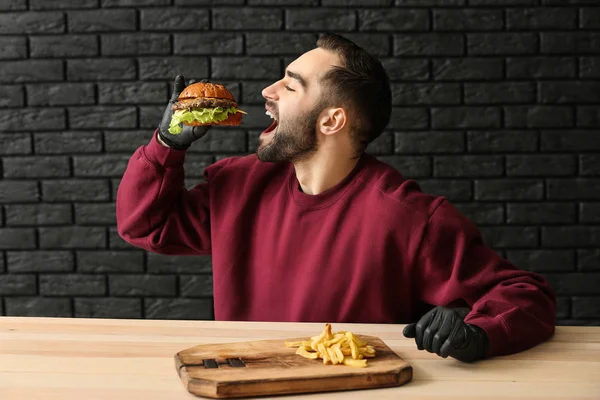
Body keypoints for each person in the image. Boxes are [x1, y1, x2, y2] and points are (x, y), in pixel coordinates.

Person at [116, 33, 556, 363]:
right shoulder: (238, 184)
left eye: (290, 86)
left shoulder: (407, 218)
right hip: (244, 381)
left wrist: (477, 332)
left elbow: (525, 295)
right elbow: (146, 226)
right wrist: (165, 145)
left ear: (332, 120)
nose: (267, 92)